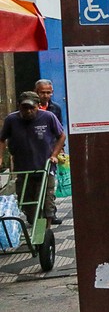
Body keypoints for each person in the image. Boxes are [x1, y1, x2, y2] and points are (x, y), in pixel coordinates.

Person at [0, 91, 66, 226]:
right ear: (19, 106)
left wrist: (54, 155)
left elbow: (61, 136)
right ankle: (34, 221)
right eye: (25, 108)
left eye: (32, 107)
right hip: (23, 169)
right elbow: (2, 139)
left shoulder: (48, 117)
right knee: (26, 201)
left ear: (38, 106)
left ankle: (44, 234)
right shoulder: (11, 120)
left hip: (44, 168)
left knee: (47, 202)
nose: (29, 111)